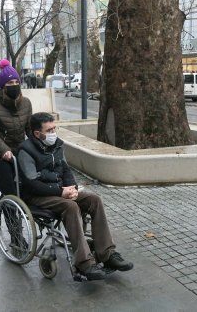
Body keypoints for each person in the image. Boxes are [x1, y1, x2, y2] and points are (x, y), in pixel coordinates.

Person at [17, 112, 134, 280]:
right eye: (49, 130)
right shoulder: (25, 150)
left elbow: (65, 169)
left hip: (59, 190)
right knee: (70, 206)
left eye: (54, 128)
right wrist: (60, 192)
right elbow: (32, 183)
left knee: (94, 200)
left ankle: (107, 253)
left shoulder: (57, 144)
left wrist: (73, 188)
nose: (53, 133)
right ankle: (84, 263)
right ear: (37, 133)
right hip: (36, 195)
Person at [0, 59, 33, 219]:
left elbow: (30, 129)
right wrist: (4, 150)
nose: (14, 85)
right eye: (10, 82)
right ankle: (16, 237)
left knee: (24, 187)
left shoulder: (26, 103)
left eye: (16, 81)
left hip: (19, 152)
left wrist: (39, 147)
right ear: (3, 86)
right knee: (11, 193)